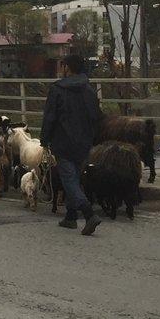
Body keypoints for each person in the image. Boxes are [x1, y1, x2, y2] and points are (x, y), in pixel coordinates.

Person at [41, 54, 103, 236]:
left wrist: (44, 138)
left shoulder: (58, 90)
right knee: (74, 177)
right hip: (84, 141)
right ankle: (70, 216)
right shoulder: (89, 90)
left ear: (67, 67)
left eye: (63, 65)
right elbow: (96, 117)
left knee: (68, 179)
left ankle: (89, 213)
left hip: (64, 140)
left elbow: (50, 117)